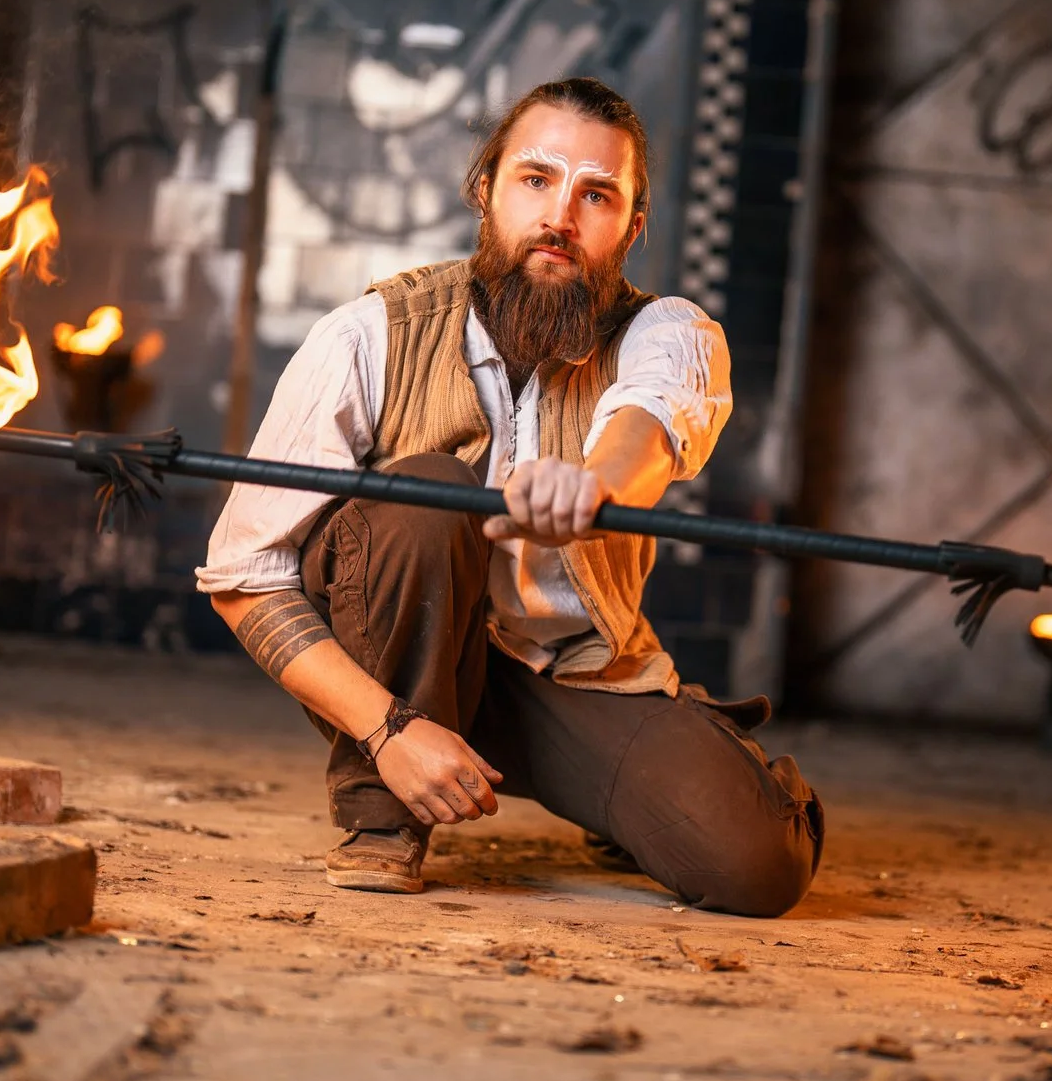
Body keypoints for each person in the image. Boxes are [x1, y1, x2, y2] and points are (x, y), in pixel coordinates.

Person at [197, 77, 823, 916]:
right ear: (484, 191)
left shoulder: (669, 332)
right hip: (393, 668)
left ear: (632, 229)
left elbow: (646, 426)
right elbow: (245, 576)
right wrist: (386, 730)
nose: (561, 216)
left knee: (758, 869)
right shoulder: (367, 336)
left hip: (568, 677)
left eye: (596, 194)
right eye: (536, 179)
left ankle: (632, 796)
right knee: (430, 493)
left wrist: (592, 485)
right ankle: (385, 817)